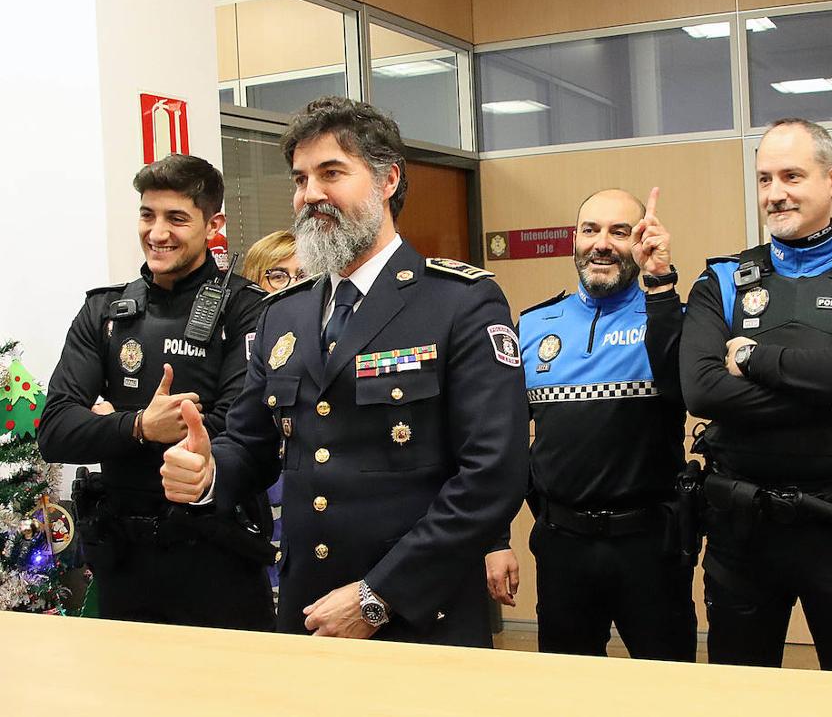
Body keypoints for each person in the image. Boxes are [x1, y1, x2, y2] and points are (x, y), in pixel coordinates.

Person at [159, 96, 529, 646]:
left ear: (387, 180)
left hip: (420, 615)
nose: (311, 194)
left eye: (332, 173)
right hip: (308, 611)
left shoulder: (459, 303)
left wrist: (377, 597)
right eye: (301, 178)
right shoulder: (286, 310)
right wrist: (209, 472)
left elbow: (491, 476)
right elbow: (252, 444)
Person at [680, 118, 832, 673]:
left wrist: (750, 358)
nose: (775, 193)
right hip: (744, 527)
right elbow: (701, 389)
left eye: (792, 176)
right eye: (764, 179)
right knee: (741, 694)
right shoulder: (720, 280)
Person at [38, 154, 274, 629]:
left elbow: (238, 428)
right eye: (148, 215)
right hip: (125, 563)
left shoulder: (249, 310)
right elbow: (56, 430)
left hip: (215, 559)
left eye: (177, 218)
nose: (157, 232)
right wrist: (141, 425)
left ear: (214, 225)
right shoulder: (105, 312)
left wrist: (105, 421)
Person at [485, 188, 696, 660]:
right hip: (563, 545)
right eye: (590, 230)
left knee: (673, 689)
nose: (602, 243)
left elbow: (685, 390)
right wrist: (496, 539)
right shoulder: (534, 324)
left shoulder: (671, 318)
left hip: (651, 545)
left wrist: (660, 279)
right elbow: (504, 442)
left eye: (620, 232)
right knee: (566, 690)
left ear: (639, 241)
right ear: (574, 240)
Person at [240, 230, 305, 600]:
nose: (291, 287)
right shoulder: (237, 343)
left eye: (303, 275)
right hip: (251, 492)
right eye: (278, 276)